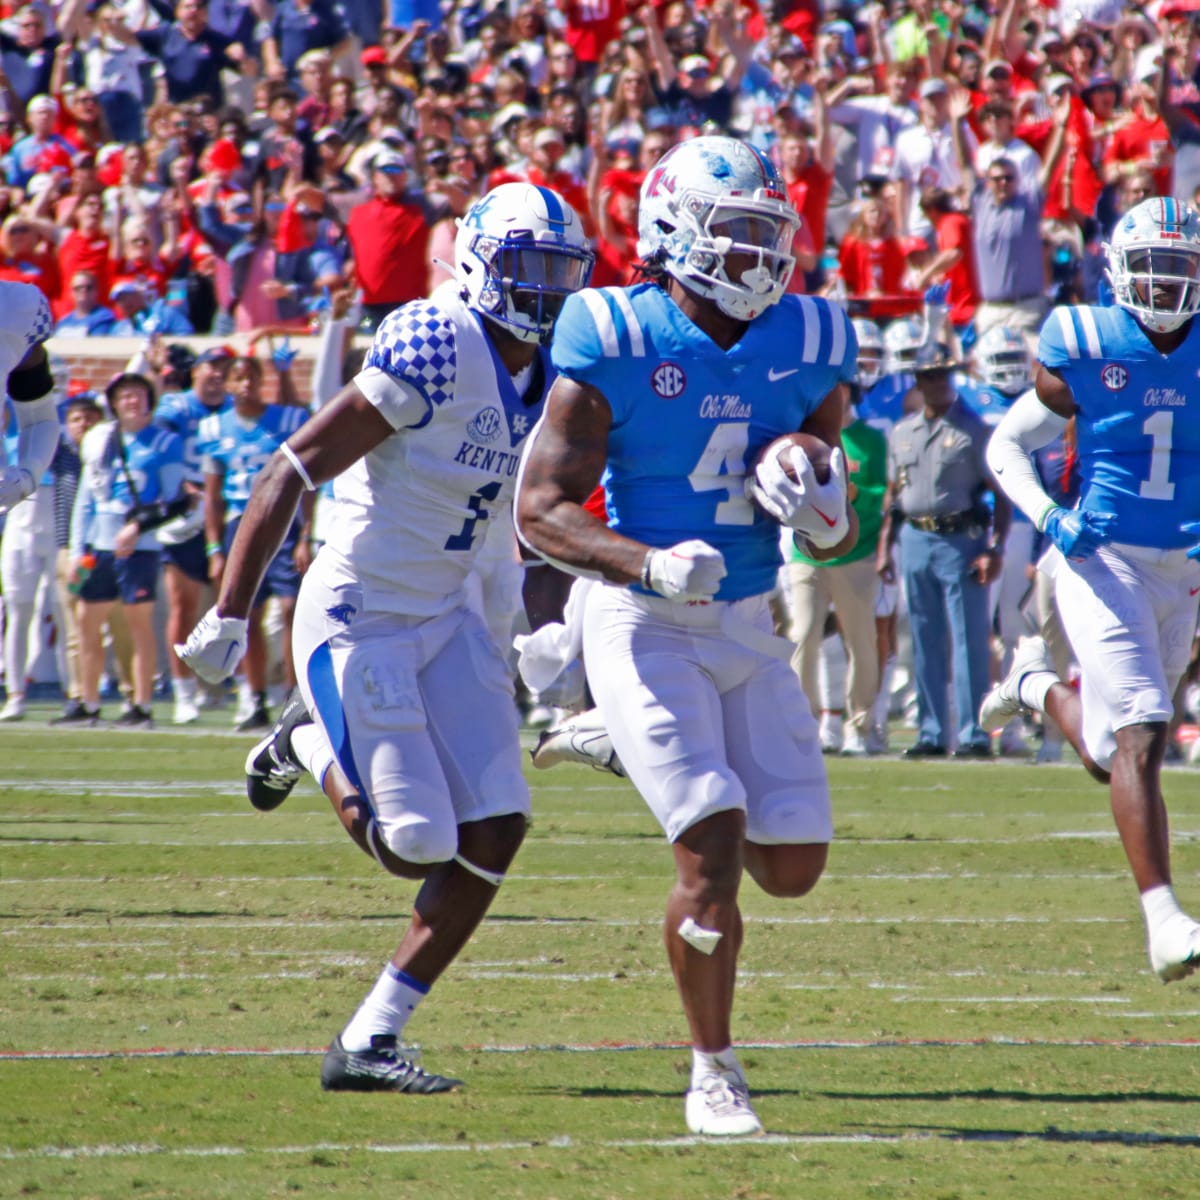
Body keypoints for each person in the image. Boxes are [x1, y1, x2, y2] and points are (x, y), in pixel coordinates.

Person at [176, 182, 594, 1094]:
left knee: (497, 824)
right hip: (362, 607)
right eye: (531, 269)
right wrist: (232, 610)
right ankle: (305, 736)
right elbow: (294, 464)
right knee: (410, 840)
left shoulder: (557, 364)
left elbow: (530, 518)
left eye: (564, 271)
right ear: (482, 262)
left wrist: (555, 628)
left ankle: (370, 1038)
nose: (548, 290)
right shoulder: (434, 341)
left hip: (449, 614)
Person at [516, 137, 858, 1137]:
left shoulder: (810, 335)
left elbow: (827, 479)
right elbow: (541, 509)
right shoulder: (613, 328)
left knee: (791, 865)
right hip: (644, 620)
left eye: (767, 238)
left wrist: (818, 493)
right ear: (673, 233)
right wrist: (648, 562)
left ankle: (626, 743)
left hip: (748, 623)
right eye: (735, 238)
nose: (758, 261)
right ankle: (713, 1070)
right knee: (709, 850)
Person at [980, 197, 1200, 983]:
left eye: (1183, 269)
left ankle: (1034, 685)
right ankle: (1164, 919)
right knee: (1145, 726)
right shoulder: (1084, 342)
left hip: (1183, 569)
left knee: (1112, 756)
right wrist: (1050, 519)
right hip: (1101, 556)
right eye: (1155, 269)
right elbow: (1007, 446)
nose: (1170, 286)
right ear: (1118, 274)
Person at [876, 306, 1011, 759]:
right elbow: (893, 495)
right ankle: (932, 732)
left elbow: (1002, 494)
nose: (937, 383)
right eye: (928, 376)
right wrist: (883, 549)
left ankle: (973, 734)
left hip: (961, 539)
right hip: (914, 538)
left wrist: (995, 548)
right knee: (923, 637)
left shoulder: (974, 432)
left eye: (943, 375)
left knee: (969, 639)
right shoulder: (902, 432)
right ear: (916, 381)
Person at [197, 354, 312, 732]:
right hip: (239, 526)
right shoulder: (214, 427)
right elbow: (212, 496)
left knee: (293, 607)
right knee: (247, 616)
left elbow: (308, 481)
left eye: (252, 377)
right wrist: (214, 548)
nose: (245, 384)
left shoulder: (286, 419)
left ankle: (296, 696)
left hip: (285, 523)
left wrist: (306, 534)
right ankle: (255, 696)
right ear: (227, 385)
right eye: (238, 378)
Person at [70, 372, 186, 726]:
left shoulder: (165, 442)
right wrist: (78, 549)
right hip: (99, 545)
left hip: (141, 547)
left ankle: (142, 704)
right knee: (86, 622)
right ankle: (87, 703)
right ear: (114, 403)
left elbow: (174, 501)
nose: (132, 402)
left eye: (138, 395)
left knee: (139, 625)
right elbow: (86, 498)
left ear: (149, 400)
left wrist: (138, 527)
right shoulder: (100, 439)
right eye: (125, 396)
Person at [153, 344, 233, 724]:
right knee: (182, 605)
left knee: (230, 605)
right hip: (185, 513)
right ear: (196, 372)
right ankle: (184, 691)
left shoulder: (235, 409)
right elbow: (160, 444)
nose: (217, 375)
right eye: (211, 368)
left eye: (224, 369)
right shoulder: (176, 407)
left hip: (226, 510)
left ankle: (223, 688)